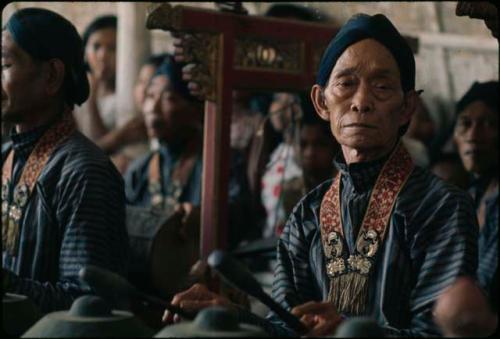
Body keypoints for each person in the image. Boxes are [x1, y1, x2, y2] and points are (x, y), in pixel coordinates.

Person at [161, 13, 478, 337]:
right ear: (321, 102)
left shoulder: (442, 209)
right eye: (346, 84)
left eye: (382, 87)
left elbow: (439, 333)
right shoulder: (307, 215)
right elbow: (287, 327)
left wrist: (349, 333)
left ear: (408, 107)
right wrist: (232, 316)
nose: (361, 102)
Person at [1, 8, 128, 314]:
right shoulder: (7, 157)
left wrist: (8, 286)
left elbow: (87, 304)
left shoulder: (84, 172)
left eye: (5, 64)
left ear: (52, 76)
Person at [453, 81, 498, 312]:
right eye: (465, 123)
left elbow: (483, 290)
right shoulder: (472, 194)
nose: (473, 135)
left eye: (489, 124)